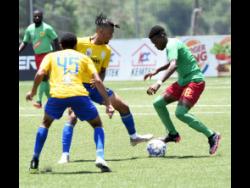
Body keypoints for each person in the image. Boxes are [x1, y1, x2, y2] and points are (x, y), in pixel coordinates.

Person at [58, 14, 153, 164]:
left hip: (95, 87)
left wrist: (99, 82)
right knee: (72, 116)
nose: (112, 36)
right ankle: (65, 155)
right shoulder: (80, 43)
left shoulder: (107, 50)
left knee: (123, 106)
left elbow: (102, 70)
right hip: (77, 87)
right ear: (100, 31)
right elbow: (65, 55)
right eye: (110, 33)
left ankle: (134, 137)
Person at [26, 32, 115, 173]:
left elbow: (40, 74)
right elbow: (98, 80)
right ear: (75, 45)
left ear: (61, 45)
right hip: (78, 94)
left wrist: (33, 92)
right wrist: (108, 103)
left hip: (57, 95)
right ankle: (99, 157)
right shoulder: (84, 58)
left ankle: (35, 158)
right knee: (97, 124)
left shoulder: (51, 56)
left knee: (45, 124)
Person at [144, 25, 221, 155]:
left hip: (194, 81)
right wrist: (157, 70)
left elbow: (174, 65)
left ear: (162, 36)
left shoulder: (171, 45)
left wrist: (158, 83)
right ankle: (173, 134)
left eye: (155, 42)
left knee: (180, 113)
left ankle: (212, 135)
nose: (155, 46)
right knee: (158, 103)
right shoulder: (172, 44)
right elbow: (174, 62)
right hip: (182, 82)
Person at [20, 9, 60, 109]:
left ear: (42, 17)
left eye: (39, 16)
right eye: (35, 16)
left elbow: (55, 39)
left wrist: (57, 53)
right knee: (45, 79)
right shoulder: (29, 29)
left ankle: (39, 101)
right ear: (33, 17)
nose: (37, 18)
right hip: (37, 56)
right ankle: (52, 100)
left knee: (43, 77)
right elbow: (25, 42)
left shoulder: (47, 28)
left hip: (47, 55)